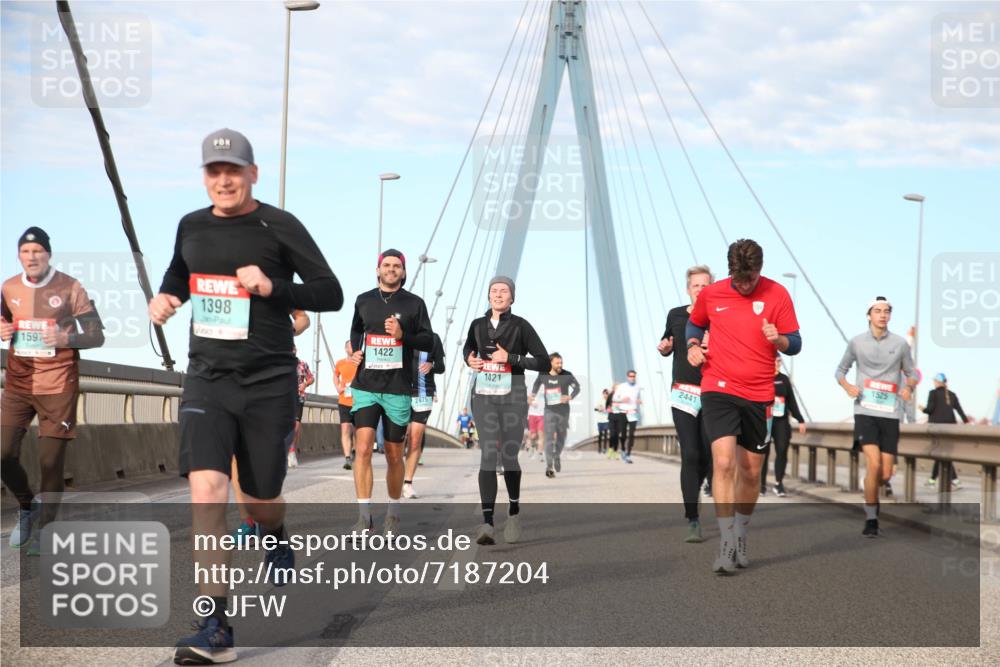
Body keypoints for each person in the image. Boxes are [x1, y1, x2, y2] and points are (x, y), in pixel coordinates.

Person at [149, 128, 343, 664]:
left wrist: (272, 288)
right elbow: (178, 274)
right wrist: (166, 298)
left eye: (234, 169)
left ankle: (273, 529)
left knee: (258, 498)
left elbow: (330, 291)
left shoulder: (278, 225)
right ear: (205, 176)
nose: (224, 179)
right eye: (214, 171)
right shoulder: (190, 225)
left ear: (252, 173)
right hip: (208, 379)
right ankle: (216, 625)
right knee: (208, 493)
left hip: (268, 382)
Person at [687, 238, 802, 573]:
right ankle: (725, 543)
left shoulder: (777, 294)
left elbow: (795, 342)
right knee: (723, 463)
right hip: (718, 387)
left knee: (751, 473)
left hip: (758, 393)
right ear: (729, 272)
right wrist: (694, 345)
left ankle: (740, 533)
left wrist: (778, 339)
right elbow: (695, 323)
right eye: (738, 280)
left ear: (759, 271)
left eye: (749, 280)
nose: (743, 286)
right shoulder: (713, 293)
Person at [2, 227, 105, 553]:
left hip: (58, 384)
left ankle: (47, 528)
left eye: (38, 251)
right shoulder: (8, 287)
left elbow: (96, 335)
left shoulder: (71, 288)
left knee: (50, 463)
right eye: (26, 251)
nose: (32, 257)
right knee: (2, 454)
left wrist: (67, 339)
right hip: (18, 384)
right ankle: (28, 506)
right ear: (19, 255)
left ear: (48, 254)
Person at [347, 249, 434, 537]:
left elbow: (428, 340)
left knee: (394, 455)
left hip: (397, 388)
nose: (391, 269)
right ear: (378, 270)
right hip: (366, 386)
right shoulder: (364, 300)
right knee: (362, 448)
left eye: (397, 266)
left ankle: (393, 515)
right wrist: (355, 352)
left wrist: (402, 335)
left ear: (404, 272)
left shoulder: (415, 304)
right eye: (386, 265)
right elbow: (356, 332)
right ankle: (364, 517)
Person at [465, 276, 549, 545]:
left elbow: (544, 362)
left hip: (513, 394)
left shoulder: (521, 326)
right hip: (484, 395)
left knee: (509, 455)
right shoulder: (477, 325)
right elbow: (468, 347)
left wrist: (511, 358)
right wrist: (469, 358)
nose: (498, 294)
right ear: (488, 296)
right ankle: (487, 523)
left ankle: (513, 513)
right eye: (494, 291)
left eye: (504, 291)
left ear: (512, 297)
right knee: (489, 453)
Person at [835, 296, 916, 538]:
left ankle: (869, 484)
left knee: (886, 473)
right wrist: (848, 386)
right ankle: (871, 519)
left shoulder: (901, 344)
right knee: (874, 463)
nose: (882, 315)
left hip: (890, 413)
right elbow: (840, 370)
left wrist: (908, 388)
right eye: (878, 311)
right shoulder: (857, 342)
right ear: (869, 314)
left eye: (886, 311)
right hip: (865, 412)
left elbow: (911, 373)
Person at [658, 264, 713, 542]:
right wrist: (665, 347)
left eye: (705, 286)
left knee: (708, 454)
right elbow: (666, 340)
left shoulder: (720, 317)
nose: (700, 290)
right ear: (688, 289)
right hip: (683, 392)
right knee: (691, 453)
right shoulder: (676, 315)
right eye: (696, 286)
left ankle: (697, 485)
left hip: (713, 394)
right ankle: (692, 518)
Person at [403, 333, 444, 499]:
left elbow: (441, 366)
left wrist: (431, 364)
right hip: (400, 394)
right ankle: (397, 473)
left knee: (415, 440)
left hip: (423, 394)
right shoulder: (401, 336)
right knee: (400, 439)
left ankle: (407, 483)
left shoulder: (433, 339)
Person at [530, 352, 581, 478]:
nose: (560, 365)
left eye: (561, 363)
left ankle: (557, 454)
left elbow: (577, 387)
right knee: (548, 438)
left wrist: (570, 396)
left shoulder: (567, 375)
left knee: (561, 437)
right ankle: (549, 466)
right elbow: (536, 384)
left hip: (563, 411)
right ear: (551, 363)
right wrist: (532, 395)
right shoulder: (543, 373)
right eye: (557, 363)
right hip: (549, 411)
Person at [765, 356, 807, 497]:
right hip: (764, 420)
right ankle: (760, 484)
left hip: (781, 421)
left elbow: (792, 401)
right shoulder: (762, 377)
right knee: (762, 453)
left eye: (779, 361)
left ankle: (778, 483)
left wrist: (800, 419)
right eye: (775, 361)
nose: (777, 364)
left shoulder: (784, 379)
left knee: (782, 451)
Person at [921, 373, 970, 487]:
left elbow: (930, 409)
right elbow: (960, 411)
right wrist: (967, 423)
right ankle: (939, 480)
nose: (934, 382)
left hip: (937, 428)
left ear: (938, 382)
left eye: (934, 380)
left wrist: (922, 409)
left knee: (940, 454)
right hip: (950, 428)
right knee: (944, 455)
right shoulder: (952, 395)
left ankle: (948, 480)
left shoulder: (932, 393)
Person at [288, 346, 314, 468]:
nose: (292, 351)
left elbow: (311, 378)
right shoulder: (281, 364)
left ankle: (292, 452)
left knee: (296, 427)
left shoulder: (302, 364)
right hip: (283, 398)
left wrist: (305, 384)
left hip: (298, 398)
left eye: (293, 349)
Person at [609, 371, 641, 463]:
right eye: (630, 376)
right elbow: (614, 398)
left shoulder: (637, 387)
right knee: (623, 435)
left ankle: (628, 454)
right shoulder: (622, 386)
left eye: (634, 376)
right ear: (627, 377)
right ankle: (623, 449)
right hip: (623, 413)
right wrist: (622, 400)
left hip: (633, 413)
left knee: (631, 434)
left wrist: (638, 400)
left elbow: (635, 397)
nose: (632, 378)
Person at [334, 340, 357, 470]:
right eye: (350, 346)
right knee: (345, 428)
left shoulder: (360, 363)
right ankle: (347, 458)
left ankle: (355, 450)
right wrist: (337, 387)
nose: (352, 348)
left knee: (358, 431)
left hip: (359, 401)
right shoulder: (340, 363)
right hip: (344, 400)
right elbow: (335, 375)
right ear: (346, 348)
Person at [527, 385, 546, 459]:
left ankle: (540, 453)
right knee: (533, 435)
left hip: (542, 415)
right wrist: (532, 403)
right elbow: (528, 400)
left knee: (541, 434)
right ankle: (531, 447)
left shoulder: (547, 387)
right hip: (532, 414)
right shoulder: (532, 387)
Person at [594, 389, 610, 454]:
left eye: (606, 394)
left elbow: (611, 409)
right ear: (603, 394)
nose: (605, 395)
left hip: (606, 420)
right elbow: (595, 408)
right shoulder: (600, 401)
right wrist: (599, 409)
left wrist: (605, 409)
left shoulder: (609, 401)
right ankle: (599, 448)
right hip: (600, 420)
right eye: (604, 394)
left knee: (606, 434)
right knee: (600, 435)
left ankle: (604, 448)